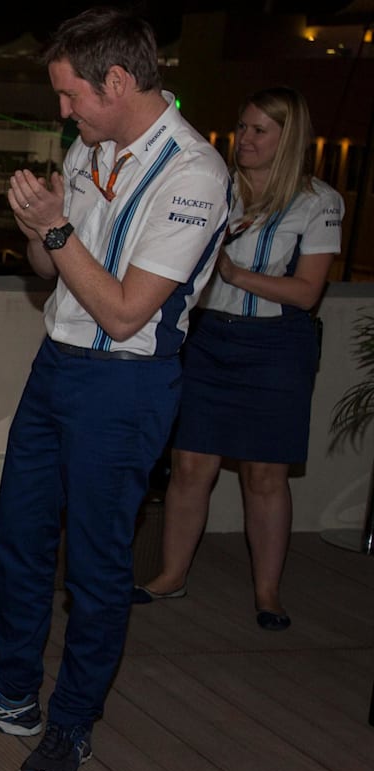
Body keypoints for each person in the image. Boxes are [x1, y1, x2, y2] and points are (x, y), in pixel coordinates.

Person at [0, 8, 229, 771]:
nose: (63, 112)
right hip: (55, 367)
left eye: (71, 95)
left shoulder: (195, 174)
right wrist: (37, 224)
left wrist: (57, 231)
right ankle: (13, 693)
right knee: (19, 539)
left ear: (116, 81)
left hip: (125, 385)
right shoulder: (90, 150)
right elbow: (52, 273)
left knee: (93, 567)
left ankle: (72, 721)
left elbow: (126, 311)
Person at [135, 87, 343, 631]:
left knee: (266, 475)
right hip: (208, 340)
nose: (243, 139)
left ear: (287, 138)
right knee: (188, 467)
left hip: (276, 348)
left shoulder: (319, 201)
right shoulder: (215, 189)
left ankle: (268, 593)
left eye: (258, 131)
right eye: (243, 127)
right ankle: (171, 575)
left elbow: (306, 293)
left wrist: (234, 274)